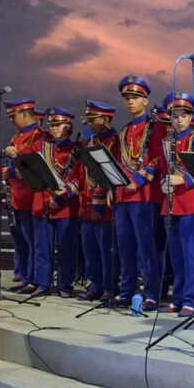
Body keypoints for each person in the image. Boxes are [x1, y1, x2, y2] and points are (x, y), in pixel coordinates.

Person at [113, 76, 164, 310]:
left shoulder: (156, 127)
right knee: (125, 246)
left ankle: (152, 292)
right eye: (127, 98)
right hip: (124, 195)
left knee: (147, 247)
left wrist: (139, 179)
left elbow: (157, 158)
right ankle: (126, 290)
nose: (131, 102)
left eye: (135, 98)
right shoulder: (124, 131)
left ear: (146, 100)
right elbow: (119, 162)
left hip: (144, 195)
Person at [152, 92, 194, 316]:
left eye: (184, 115)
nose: (179, 120)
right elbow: (164, 170)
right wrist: (164, 183)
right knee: (176, 255)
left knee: (190, 254)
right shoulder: (166, 142)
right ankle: (178, 297)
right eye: (175, 116)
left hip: (191, 203)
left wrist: (184, 180)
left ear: (191, 118)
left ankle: (191, 299)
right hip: (170, 203)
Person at [31, 108, 84, 297]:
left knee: (65, 248)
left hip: (66, 207)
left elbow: (79, 179)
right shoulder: (42, 147)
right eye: (51, 125)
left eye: (57, 125)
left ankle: (65, 285)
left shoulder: (77, 150)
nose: (52, 129)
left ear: (68, 127)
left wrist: (63, 194)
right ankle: (42, 283)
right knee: (41, 248)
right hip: (43, 203)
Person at [79, 100, 119, 302]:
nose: (90, 124)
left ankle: (109, 287)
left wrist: (100, 199)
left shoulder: (115, 141)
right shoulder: (89, 141)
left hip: (105, 205)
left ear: (106, 119)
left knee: (106, 250)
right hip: (87, 201)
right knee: (90, 249)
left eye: (94, 119)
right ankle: (94, 284)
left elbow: (114, 174)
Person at [3, 99, 44, 293]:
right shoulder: (16, 137)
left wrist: (18, 152)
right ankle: (27, 277)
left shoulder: (39, 135)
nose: (12, 120)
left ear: (25, 114)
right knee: (23, 242)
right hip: (17, 196)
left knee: (35, 242)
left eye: (14, 116)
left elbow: (36, 158)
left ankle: (36, 280)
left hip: (32, 196)